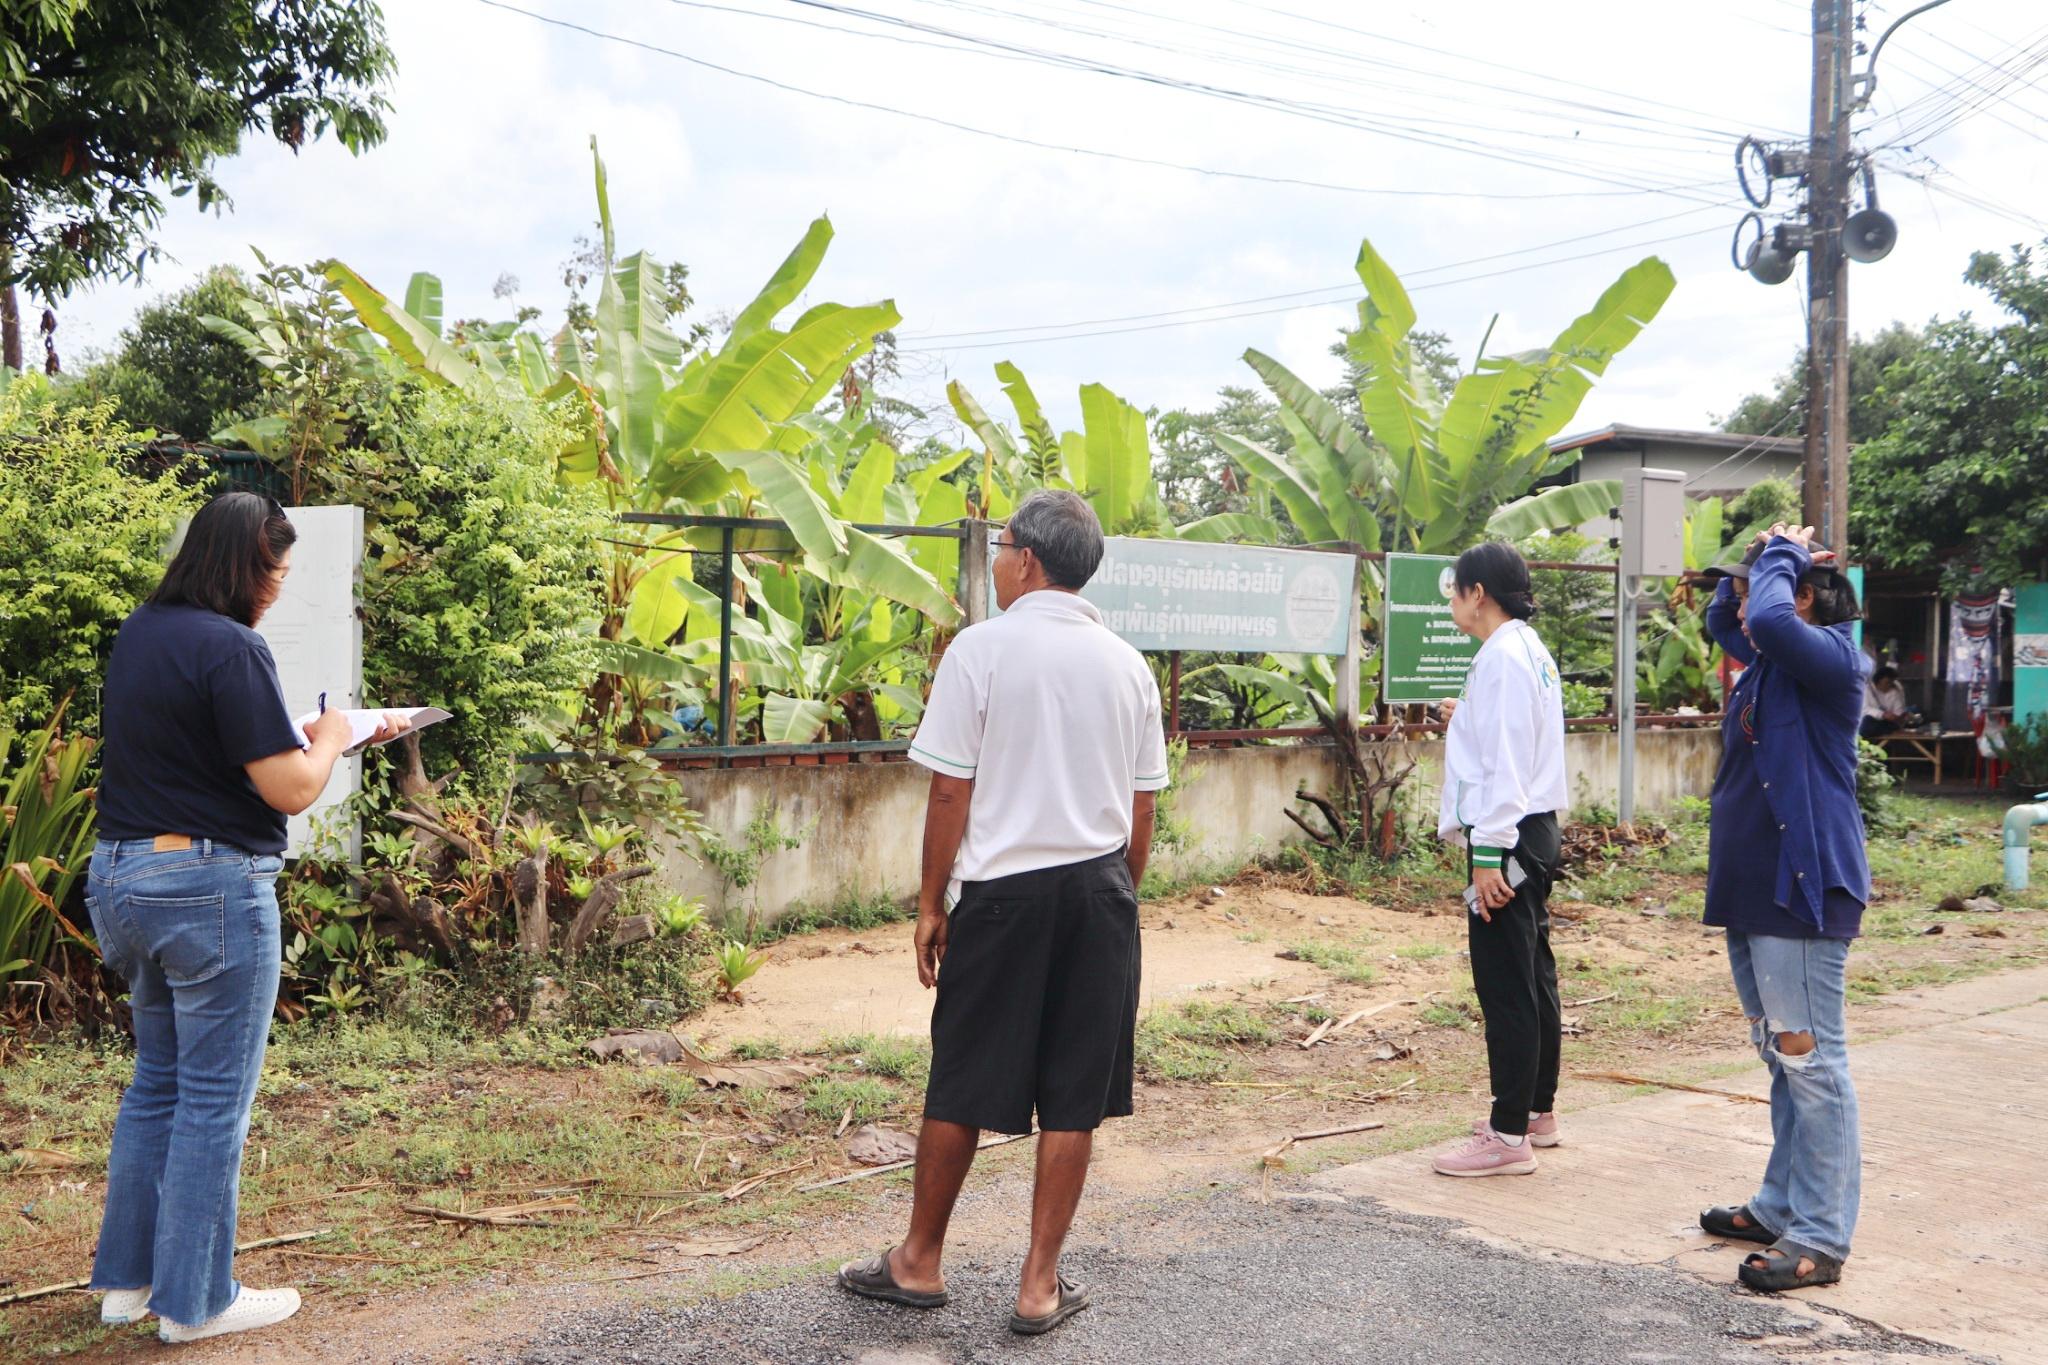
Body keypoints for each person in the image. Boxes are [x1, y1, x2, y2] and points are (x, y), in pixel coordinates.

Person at [834, 490, 1167, 1336]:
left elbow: (952, 787)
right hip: (1100, 894)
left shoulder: (980, 651)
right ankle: (1038, 1285)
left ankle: (919, 1261)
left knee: (962, 1076)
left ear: (1027, 560)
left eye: (1003, 544)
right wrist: (1115, 897)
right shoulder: (1129, 665)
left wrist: (930, 901)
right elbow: (1142, 812)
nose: (996, 558)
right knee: (1073, 1091)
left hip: (1004, 896)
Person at [87, 492, 408, 1344]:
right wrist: (338, 733)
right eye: (274, 570)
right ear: (242, 564)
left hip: (121, 878)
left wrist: (306, 735)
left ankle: (128, 1282)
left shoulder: (143, 630)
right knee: (212, 1102)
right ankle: (198, 1301)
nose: (276, 587)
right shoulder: (233, 646)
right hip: (207, 888)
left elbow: (199, 752)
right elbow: (293, 787)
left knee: (156, 1082)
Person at [1696, 524, 1869, 1292]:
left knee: (1812, 1061)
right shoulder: (1771, 664)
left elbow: (1762, 620)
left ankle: (1821, 1236)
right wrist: (1742, 573)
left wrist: (1782, 556)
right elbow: (1728, 624)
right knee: (1782, 1057)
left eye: (1757, 579)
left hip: (1799, 893)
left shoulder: (1831, 658)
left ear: (1802, 596)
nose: (1743, 593)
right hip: (1755, 892)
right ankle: (1779, 1205)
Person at [1427, 542, 1569, 1178]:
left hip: (1507, 837)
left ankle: (1508, 1135)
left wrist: (1487, 855)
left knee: (1506, 984)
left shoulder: (1504, 657)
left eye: (1455, 589)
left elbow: (1507, 764)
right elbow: (1510, 735)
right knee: (1532, 971)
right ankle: (1536, 1110)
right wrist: (1467, 718)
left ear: (1477, 593)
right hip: (1531, 830)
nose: (1453, 601)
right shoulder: (1525, 650)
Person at [1859, 664, 1909, 740]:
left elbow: (1899, 710)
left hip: (1888, 723)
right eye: (1887, 682)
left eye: (1891, 682)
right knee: (1867, 723)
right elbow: (1864, 709)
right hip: (1871, 721)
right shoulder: (1867, 690)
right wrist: (1882, 714)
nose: (1889, 685)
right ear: (1878, 681)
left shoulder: (1895, 690)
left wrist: (1897, 716)